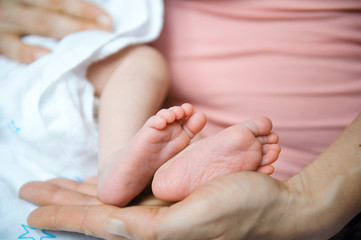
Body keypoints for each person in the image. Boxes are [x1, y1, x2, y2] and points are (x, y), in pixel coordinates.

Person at [8, 0, 361, 239]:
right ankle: (120, 165)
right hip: (45, 71)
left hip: (325, 187)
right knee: (138, 65)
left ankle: (128, 165)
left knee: (138, 66)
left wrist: (312, 196)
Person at [0, 0, 280, 209]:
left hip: (38, 121)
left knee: (160, 133)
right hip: (31, 72)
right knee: (141, 64)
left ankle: (171, 168)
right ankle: (118, 166)